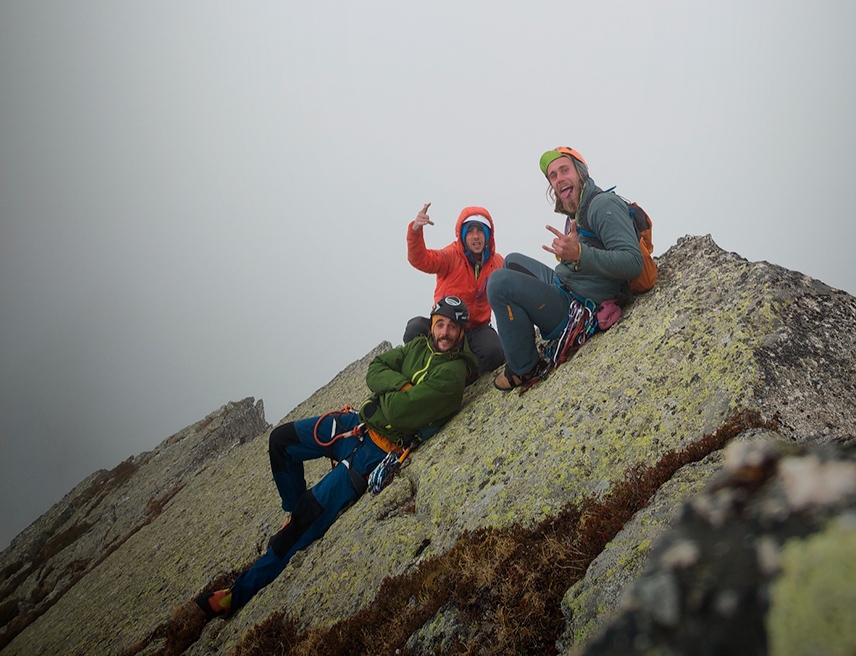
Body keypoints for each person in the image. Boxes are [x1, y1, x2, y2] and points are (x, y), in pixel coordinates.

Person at [196, 296, 477, 619]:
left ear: (460, 333)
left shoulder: (453, 375)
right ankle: (292, 508)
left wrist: (376, 404)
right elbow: (375, 368)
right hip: (355, 426)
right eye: (440, 324)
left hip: (375, 453)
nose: (444, 332)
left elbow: (402, 411)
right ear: (431, 324)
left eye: (452, 327)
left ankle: (237, 594)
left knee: (306, 518)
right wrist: (399, 384)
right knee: (281, 441)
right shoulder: (417, 347)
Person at [486, 147, 643, 391]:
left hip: (579, 306)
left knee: (499, 283)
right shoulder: (578, 212)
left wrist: (579, 254)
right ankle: (523, 347)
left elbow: (633, 263)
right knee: (512, 262)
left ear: (581, 173)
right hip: (567, 286)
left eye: (564, 170)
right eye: (552, 176)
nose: (559, 179)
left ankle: (524, 369)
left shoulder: (602, 205)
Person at [404, 203, 505, 379]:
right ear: (463, 235)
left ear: (488, 235)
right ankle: (421, 370)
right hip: (446, 324)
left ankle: (463, 376)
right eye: (470, 231)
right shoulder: (451, 256)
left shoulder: (497, 263)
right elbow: (420, 260)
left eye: (480, 231)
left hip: (476, 328)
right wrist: (415, 231)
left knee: (494, 353)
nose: (476, 237)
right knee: (415, 329)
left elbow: (512, 285)